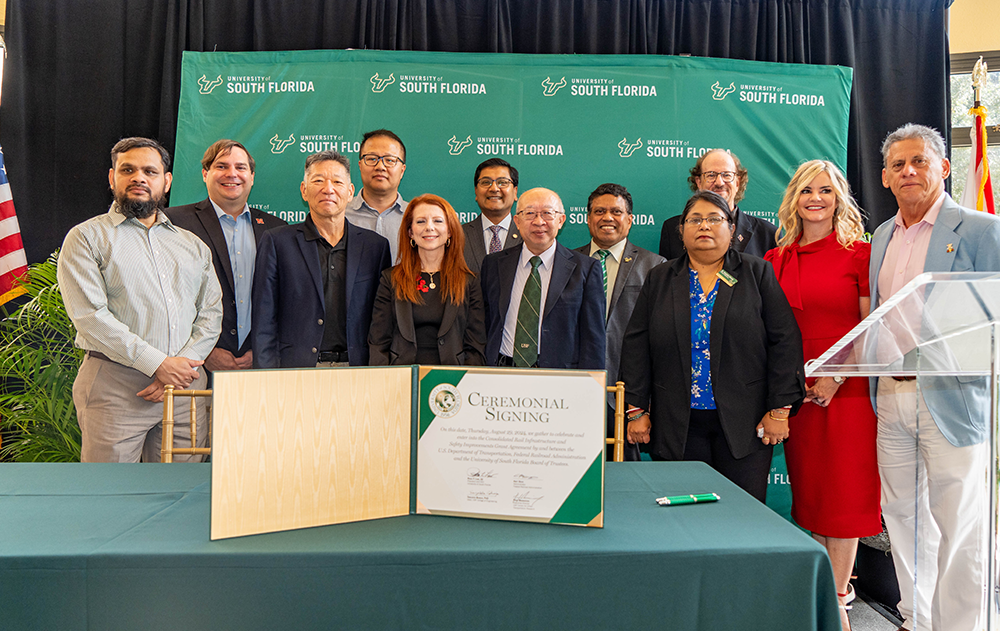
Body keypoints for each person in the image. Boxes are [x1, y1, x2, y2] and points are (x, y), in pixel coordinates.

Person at [870, 124, 1000, 631]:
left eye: (920, 161)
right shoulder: (881, 235)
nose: (909, 171)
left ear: (944, 167)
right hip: (891, 398)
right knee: (902, 519)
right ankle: (918, 619)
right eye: (899, 164)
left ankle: (963, 625)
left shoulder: (982, 230)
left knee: (961, 527)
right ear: (884, 177)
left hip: (953, 401)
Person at [621, 190, 804, 501]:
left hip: (744, 423)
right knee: (683, 516)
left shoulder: (756, 273)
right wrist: (636, 410)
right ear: (681, 231)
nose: (704, 225)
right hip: (677, 422)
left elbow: (785, 340)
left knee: (740, 515)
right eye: (695, 219)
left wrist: (779, 410)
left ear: (731, 228)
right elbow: (637, 344)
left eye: (714, 219)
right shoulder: (661, 277)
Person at [764, 160, 880, 631]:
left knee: (843, 500)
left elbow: (872, 327)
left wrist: (837, 376)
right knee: (811, 498)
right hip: (797, 395)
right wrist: (789, 387)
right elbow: (770, 332)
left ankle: (836, 604)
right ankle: (822, 596)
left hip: (846, 393)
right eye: (806, 190)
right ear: (794, 198)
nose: (816, 198)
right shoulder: (776, 260)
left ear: (839, 199)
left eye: (826, 190)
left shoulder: (861, 254)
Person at [58, 137, 222, 462]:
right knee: (112, 497)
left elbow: (211, 314)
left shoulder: (192, 245)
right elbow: (90, 317)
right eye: (128, 170)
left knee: (180, 494)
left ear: (167, 180)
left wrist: (179, 369)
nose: (139, 178)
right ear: (112, 177)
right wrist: (159, 365)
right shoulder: (87, 238)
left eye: (150, 171)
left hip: (186, 388)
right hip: (115, 387)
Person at [252, 150, 391, 368]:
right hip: (297, 369)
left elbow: (383, 320)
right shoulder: (277, 242)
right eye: (318, 181)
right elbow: (264, 318)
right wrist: (266, 375)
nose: (328, 189)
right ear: (304, 190)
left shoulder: (375, 247)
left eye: (337, 181)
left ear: (350, 192)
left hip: (359, 370)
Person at [166, 139, 286, 375]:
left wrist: (262, 350)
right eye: (221, 166)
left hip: (261, 365)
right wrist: (205, 351)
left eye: (240, 167)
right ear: (205, 173)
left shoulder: (277, 229)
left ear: (251, 176)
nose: (232, 174)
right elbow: (166, 295)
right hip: (193, 366)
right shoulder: (174, 223)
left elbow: (286, 299)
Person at [573, 183, 665, 460]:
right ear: (588, 218)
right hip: (574, 390)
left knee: (624, 479)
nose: (607, 218)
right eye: (599, 211)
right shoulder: (566, 263)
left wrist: (643, 406)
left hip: (626, 394)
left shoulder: (656, 267)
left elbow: (659, 341)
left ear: (630, 219)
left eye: (616, 211)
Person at [480, 187, 605, 369]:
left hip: (559, 375)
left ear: (561, 220)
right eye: (529, 213)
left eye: (547, 213)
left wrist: (591, 386)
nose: (539, 222)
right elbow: (484, 322)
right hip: (502, 370)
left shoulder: (585, 269)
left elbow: (593, 337)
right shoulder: (494, 264)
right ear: (517, 221)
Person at [368, 194, 486, 366]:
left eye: (438, 221)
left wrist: (462, 383)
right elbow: (379, 341)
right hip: (401, 379)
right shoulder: (390, 279)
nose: (429, 227)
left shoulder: (469, 282)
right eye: (421, 221)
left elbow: (475, 345)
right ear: (410, 232)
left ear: (450, 230)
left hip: (452, 381)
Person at [658, 149, 777, 260]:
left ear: (737, 182)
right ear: (698, 182)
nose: (719, 182)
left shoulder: (767, 234)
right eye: (711, 175)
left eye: (727, 175)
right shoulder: (672, 229)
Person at [346, 129, 409, 262]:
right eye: (372, 159)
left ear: (402, 170)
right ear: (360, 165)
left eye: (390, 160)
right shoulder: (340, 216)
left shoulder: (417, 218)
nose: (380, 166)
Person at [462, 158, 522, 275]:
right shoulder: (458, 236)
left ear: (515, 192)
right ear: (476, 191)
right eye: (486, 182)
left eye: (503, 182)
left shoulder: (528, 235)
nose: (494, 188)